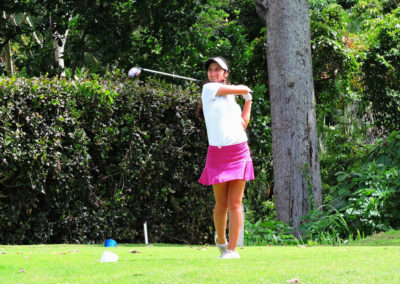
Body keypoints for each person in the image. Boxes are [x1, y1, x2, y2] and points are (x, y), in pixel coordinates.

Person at [198, 57, 254, 259]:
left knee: (235, 203)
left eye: (217, 70)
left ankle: (232, 249)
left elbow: (243, 124)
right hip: (218, 153)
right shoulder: (208, 89)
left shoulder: (231, 99)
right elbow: (242, 87)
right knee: (221, 204)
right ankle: (220, 240)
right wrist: (244, 90)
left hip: (239, 151)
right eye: (211, 70)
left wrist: (248, 101)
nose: (213, 73)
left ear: (225, 73)